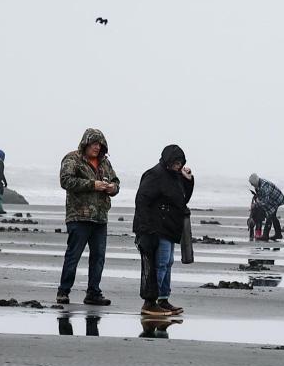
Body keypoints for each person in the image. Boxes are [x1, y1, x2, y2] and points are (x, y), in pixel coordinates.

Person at [56, 128, 120, 306]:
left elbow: (116, 182)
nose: (97, 147)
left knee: (98, 256)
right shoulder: (72, 159)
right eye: (94, 144)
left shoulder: (105, 163)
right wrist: (93, 185)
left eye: (100, 144)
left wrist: (112, 188)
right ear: (86, 143)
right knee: (73, 255)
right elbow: (65, 180)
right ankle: (63, 291)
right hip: (79, 216)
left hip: (100, 217)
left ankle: (93, 292)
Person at [134, 144, 194, 316]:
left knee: (167, 263)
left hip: (169, 227)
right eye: (175, 162)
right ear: (167, 161)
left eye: (180, 163)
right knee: (159, 264)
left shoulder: (175, 176)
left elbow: (182, 200)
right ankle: (150, 303)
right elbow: (142, 201)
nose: (178, 166)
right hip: (156, 227)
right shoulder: (154, 175)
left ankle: (163, 299)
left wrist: (188, 180)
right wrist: (145, 228)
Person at [249, 174, 284, 241]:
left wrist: (256, 204)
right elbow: (260, 196)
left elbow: (266, 201)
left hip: (277, 199)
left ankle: (265, 235)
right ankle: (278, 234)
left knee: (270, 215)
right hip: (271, 198)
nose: (251, 185)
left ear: (255, 182)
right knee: (273, 216)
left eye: (252, 183)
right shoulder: (258, 185)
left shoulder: (264, 186)